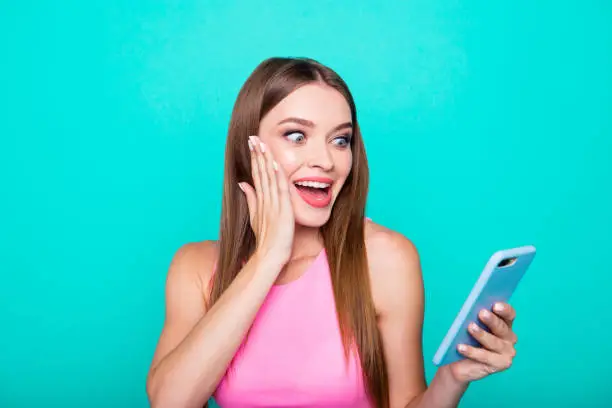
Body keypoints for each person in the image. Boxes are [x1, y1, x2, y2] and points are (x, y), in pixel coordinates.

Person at [145, 57, 519, 408]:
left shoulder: (385, 258)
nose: (325, 161)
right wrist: (267, 259)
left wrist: (455, 376)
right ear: (249, 149)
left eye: (340, 140)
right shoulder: (195, 267)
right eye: (296, 135)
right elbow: (169, 401)